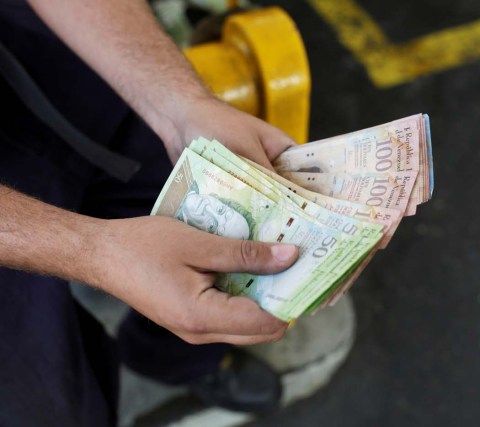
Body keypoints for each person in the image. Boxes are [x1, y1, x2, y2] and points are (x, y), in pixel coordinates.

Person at [0, 0, 301, 425]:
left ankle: (175, 356)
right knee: (52, 411)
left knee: (223, 217)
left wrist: (181, 104)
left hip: (23, 60)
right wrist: (93, 250)